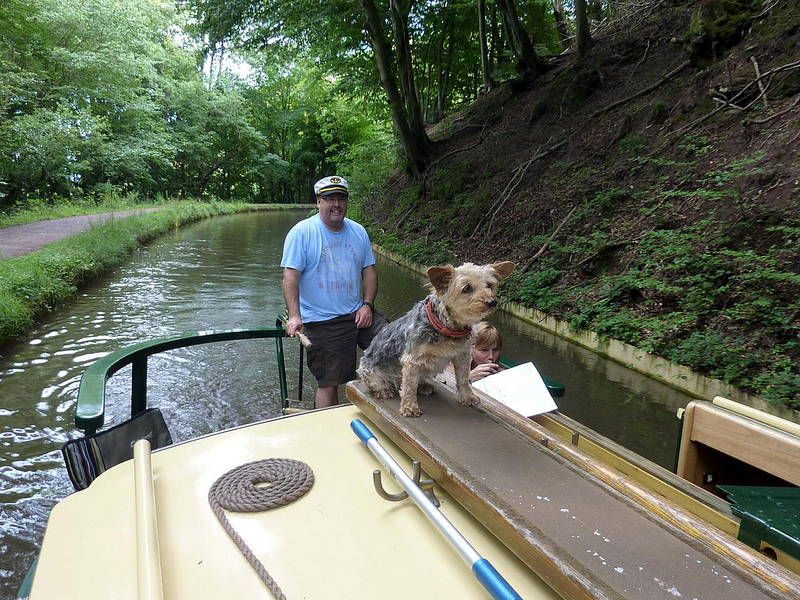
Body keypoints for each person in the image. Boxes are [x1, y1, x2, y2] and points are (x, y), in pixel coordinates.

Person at [281, 175, 388, 409]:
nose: (336, 204)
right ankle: (327, 430)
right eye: (330, 199)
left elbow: (369, 271)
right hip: (323, 320)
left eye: (341, 198)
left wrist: (367, 305)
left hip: (358, 313)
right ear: (319, 202)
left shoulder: (358, 231)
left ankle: (386, 408)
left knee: (394, 345)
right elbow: (290, 277)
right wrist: (295, 316)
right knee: (330, 382)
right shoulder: (302, 233)